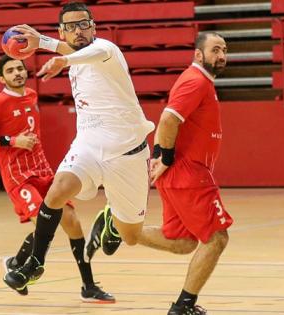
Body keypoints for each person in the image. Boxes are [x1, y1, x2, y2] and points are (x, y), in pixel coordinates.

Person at [3, 1, 155, 294]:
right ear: (63, 31)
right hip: (88, 143)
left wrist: (53, 50)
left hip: (127, 153)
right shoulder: (72, 57)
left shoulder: (108, 50)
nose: (78, 30)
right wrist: (59, 53)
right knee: (57, 191)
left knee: (131, 235)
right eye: (70, 26)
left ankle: (112, 223)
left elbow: (89, 53)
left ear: (94, 26)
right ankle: (35, 262)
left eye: (83, 24)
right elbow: (74, 53)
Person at [87, 32, 234, 315]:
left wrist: (161, 159)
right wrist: (163, 157)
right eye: (215, 49)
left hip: (183, 175)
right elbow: (167, 119)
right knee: (217, 238)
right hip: (190, 175)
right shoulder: (195, 80)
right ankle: (183, 307)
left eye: (224, 50)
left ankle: (118, 225)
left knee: (183, 242)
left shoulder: (202, 82)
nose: (222, 55)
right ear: (198, 55)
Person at [0, 55, 114, 303]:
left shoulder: (31, 95)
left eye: (20, 68)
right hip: (19, 177)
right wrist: (12, 141)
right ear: (1, 78)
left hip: (43, 171)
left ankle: (87, 286)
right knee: (45, 225)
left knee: (72, 223)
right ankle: (24, 266)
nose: (17, 73)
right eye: (10, 70)